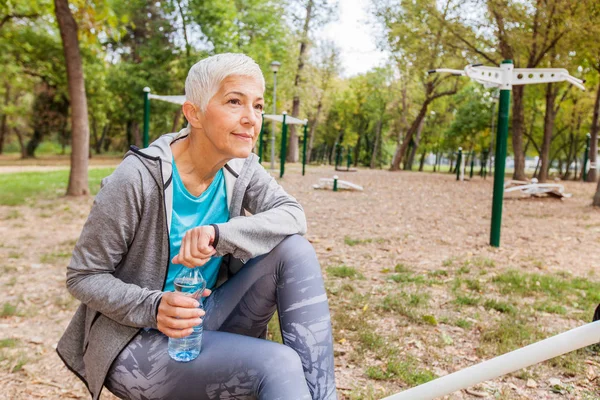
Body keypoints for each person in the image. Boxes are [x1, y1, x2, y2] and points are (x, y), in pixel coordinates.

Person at [56, 53, 337, 400]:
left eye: (259, 106)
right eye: (234, 101)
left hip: (203, 318)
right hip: (135, 339)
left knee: (294, 249)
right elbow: (83, 276)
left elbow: (294, 215)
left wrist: (220, 234)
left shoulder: (241, 167)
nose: (251, 119)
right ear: (194, 114)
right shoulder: (137, 178)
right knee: (278, 364)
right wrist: (155, 306)